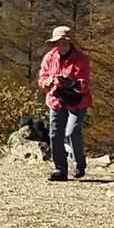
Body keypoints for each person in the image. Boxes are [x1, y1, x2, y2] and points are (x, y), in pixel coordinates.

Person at [37, 25, 93, 182]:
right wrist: (49, 82)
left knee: (72, 132)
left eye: (65, 43)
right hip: (56, 100)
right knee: (55, 134)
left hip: (77, 100)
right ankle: (60, 169)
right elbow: (42, 79)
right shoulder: (49, 58)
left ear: (70, 43)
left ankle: (79, 164)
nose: (62, 46)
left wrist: (72, 83)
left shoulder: (81, 58)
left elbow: (84, 84)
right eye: (59, 43)